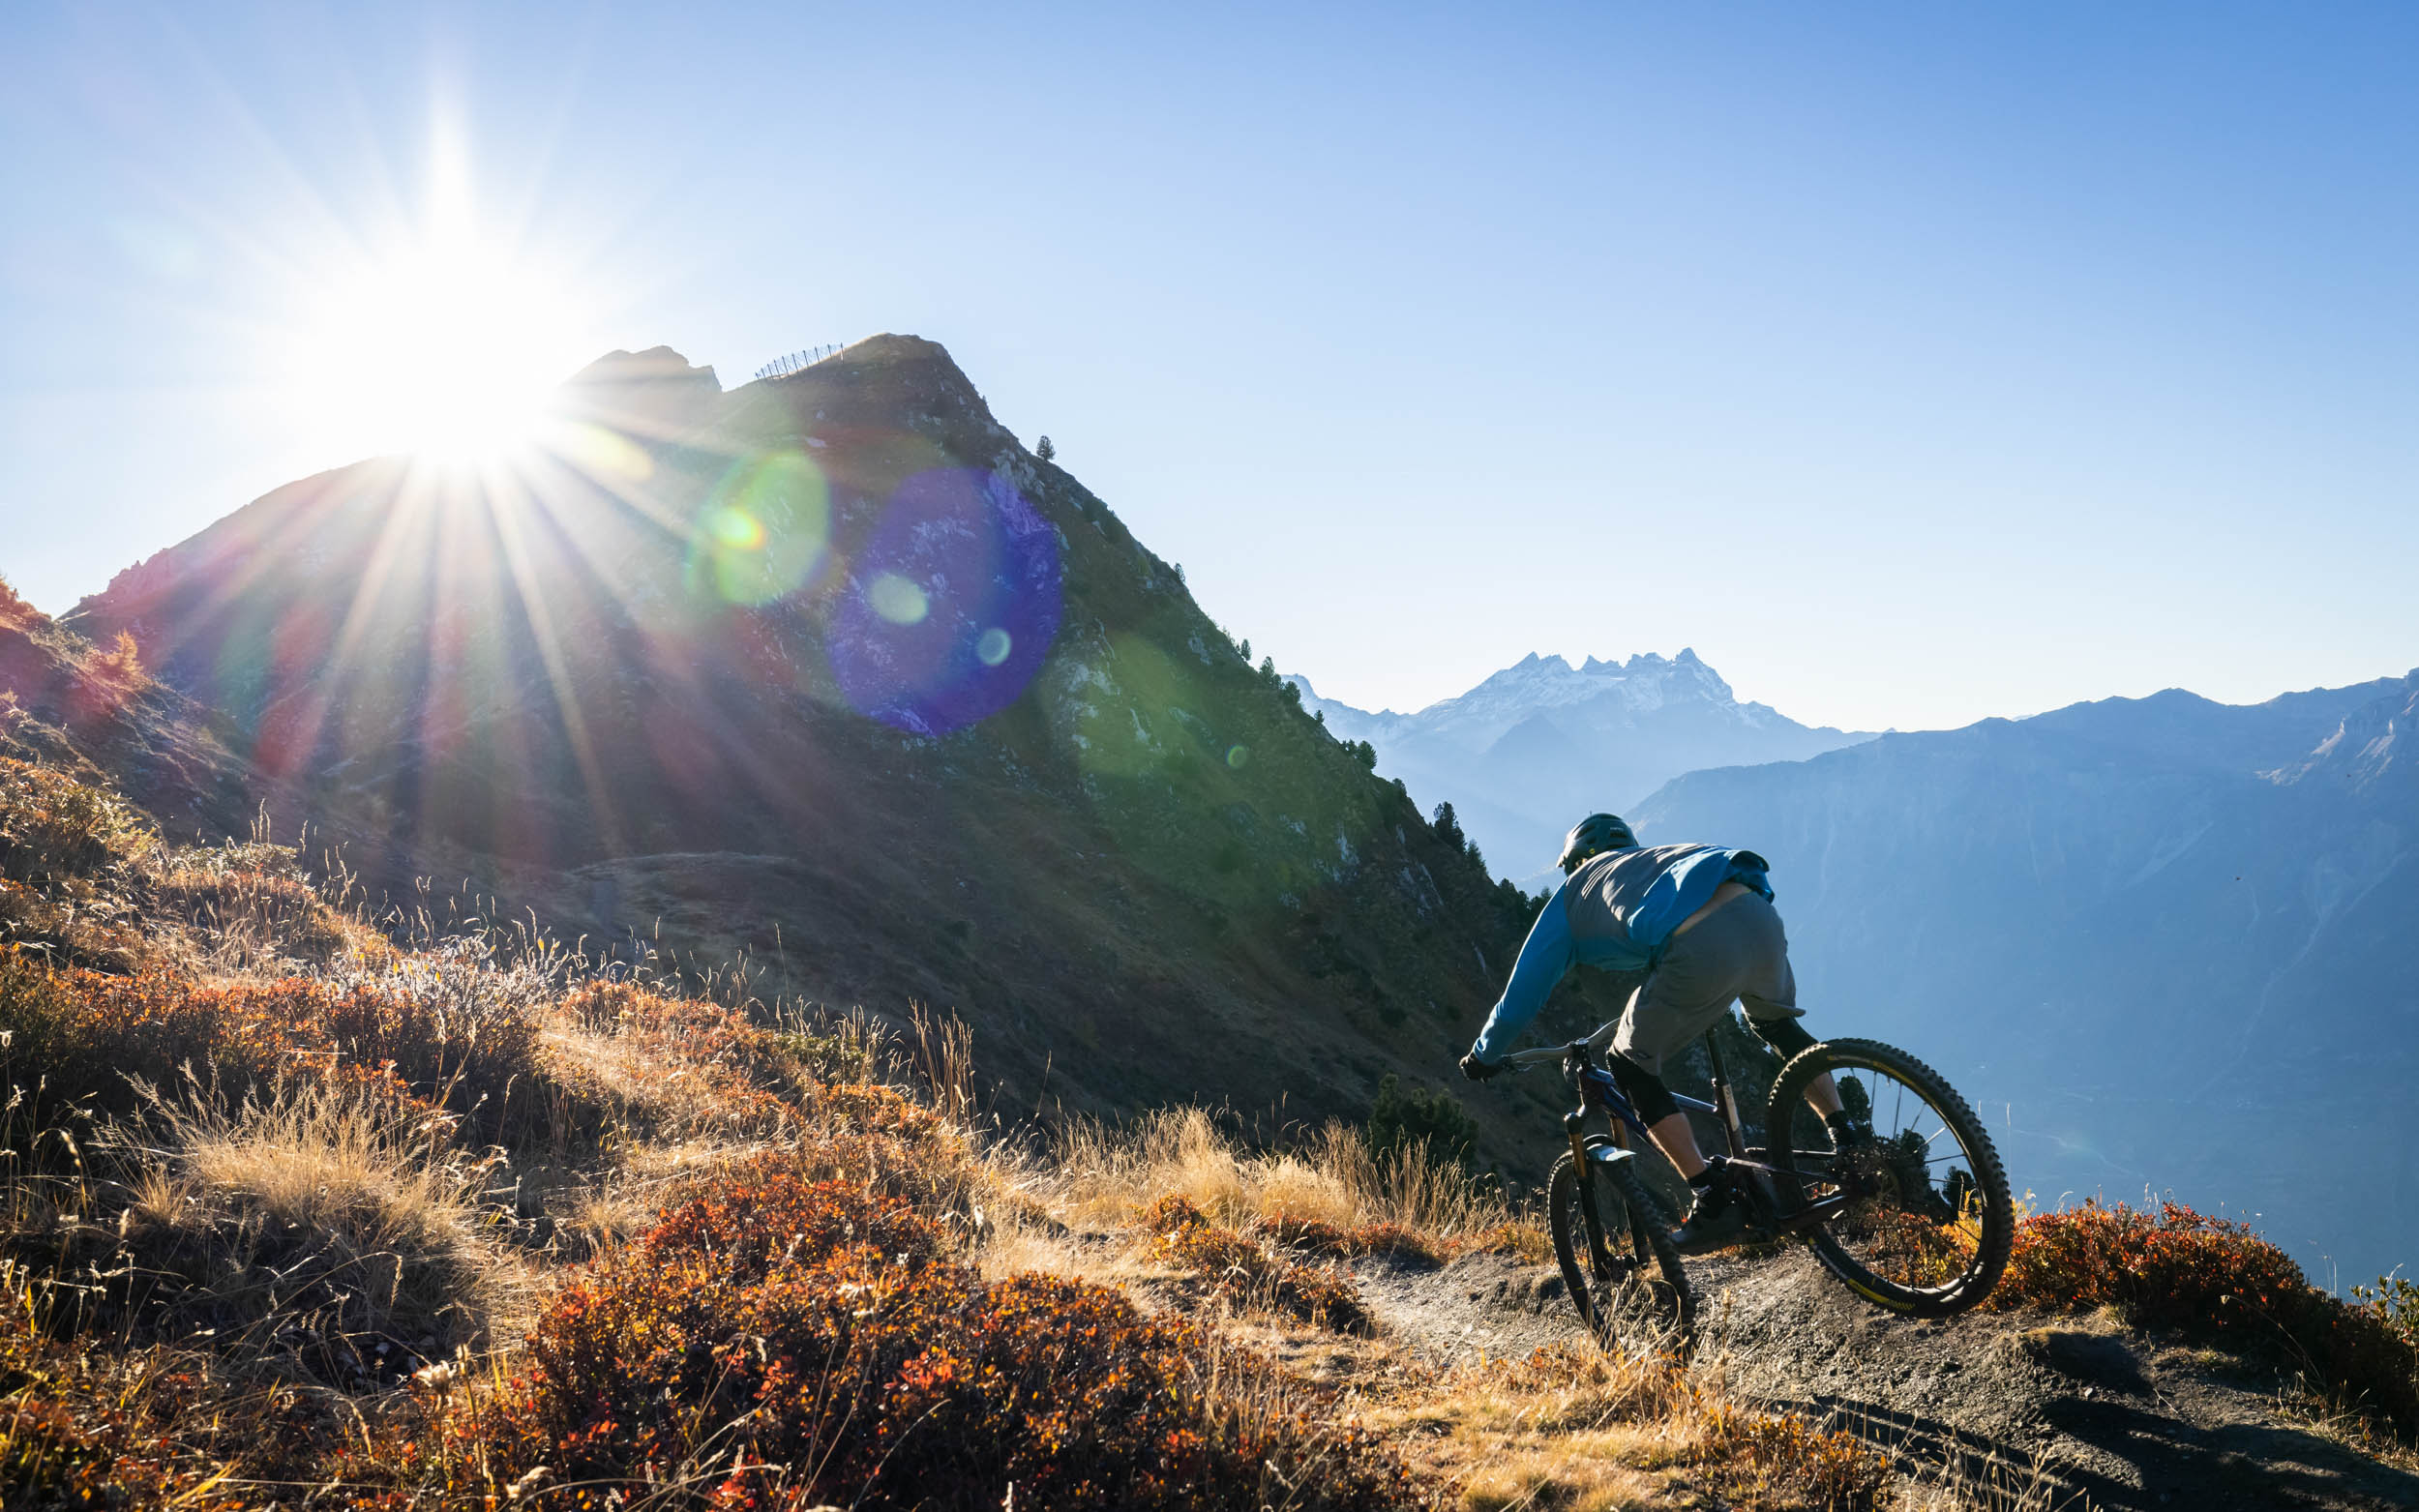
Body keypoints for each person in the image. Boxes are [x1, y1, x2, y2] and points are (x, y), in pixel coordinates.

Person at [1458, 813, 1856, 1252]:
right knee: (1778, 1026)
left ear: (1573, 863)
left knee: (1628, 1064)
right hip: (1758, 912)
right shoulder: (1651, 862)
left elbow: (1519, 1000)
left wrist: (1483, 1055)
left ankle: (1712, 1196)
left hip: (1699, 940)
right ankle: (1847, 1135)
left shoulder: (1572, 895)